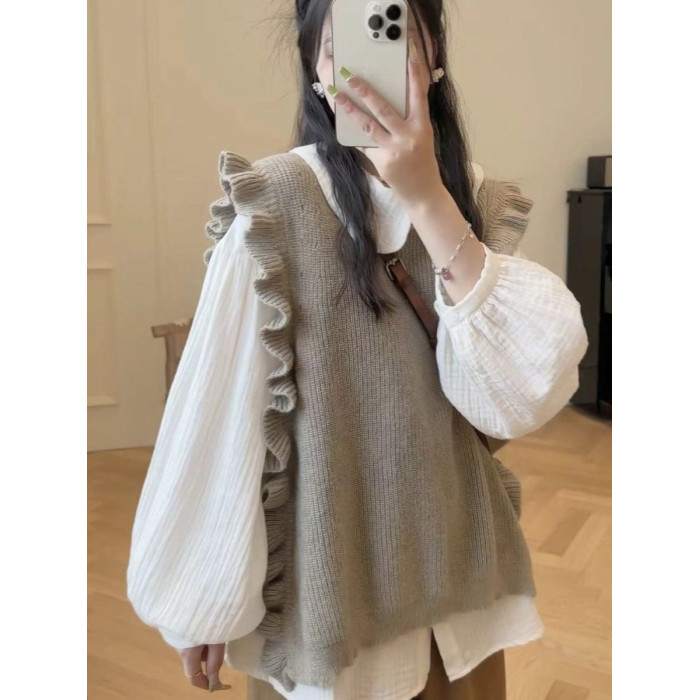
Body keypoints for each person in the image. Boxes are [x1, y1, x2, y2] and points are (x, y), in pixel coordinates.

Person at [126, 1, 588, 698]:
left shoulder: (478, 200)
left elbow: (515, 399)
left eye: (392, 28)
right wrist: (200, 599)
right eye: (340, 42)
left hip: (459, 590)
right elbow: (219, 419)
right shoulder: (273, 206)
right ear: (316, 71)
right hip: (327, 606)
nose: (368, 61)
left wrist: (428, 198)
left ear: (434, 57)